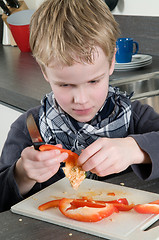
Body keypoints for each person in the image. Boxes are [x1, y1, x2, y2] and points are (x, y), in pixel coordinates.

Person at [0, 0, 159, 213]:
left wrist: (136, 149)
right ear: (45, 72)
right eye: (65, 84)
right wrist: (21, 174)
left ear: (111, 62)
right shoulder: (28, 128)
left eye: (94, 81)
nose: (82, 99)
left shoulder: (136, 117)